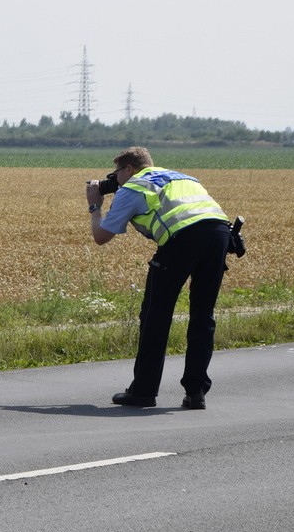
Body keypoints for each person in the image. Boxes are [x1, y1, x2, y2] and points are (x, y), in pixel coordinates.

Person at [85, 146, 232, 410]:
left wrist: (95, 205)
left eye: (116, 173)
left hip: (181, 240)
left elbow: (101, 237)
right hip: (220, 235)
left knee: (156, 315)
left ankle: (143, 392)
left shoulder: (133, 188)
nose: (114, 179)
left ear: (129, 169)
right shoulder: (182, 177)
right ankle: (196, 392)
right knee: (203, 315)